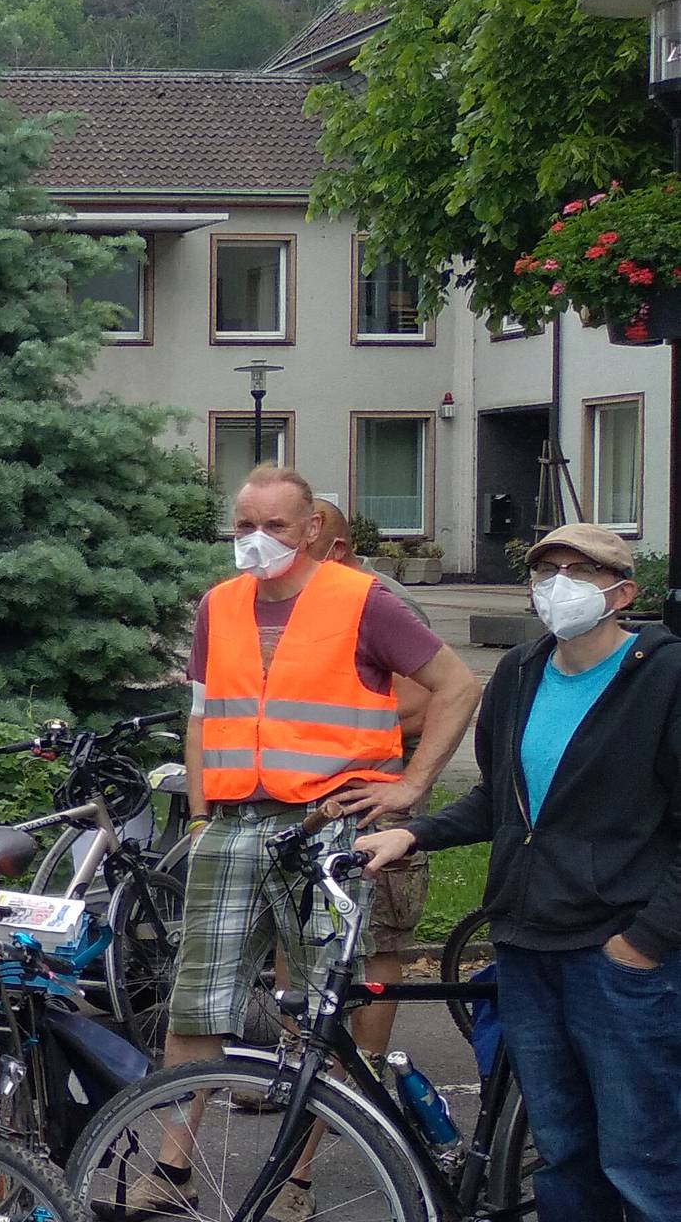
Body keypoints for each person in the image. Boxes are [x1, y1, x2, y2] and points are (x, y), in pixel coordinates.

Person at [129, 467, 479, 1221]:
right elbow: (202, 716)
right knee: (197, 1002)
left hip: (322, 827)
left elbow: (457, 685)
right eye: (243, 527)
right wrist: (197, 814)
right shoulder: (219, 607)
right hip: (228, 823)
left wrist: (411, 786)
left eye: (276, 527)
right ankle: (172, 1167)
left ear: (313, 528)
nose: (256, 542)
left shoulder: (361, 600)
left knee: (317, 1011)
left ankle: (298, 1178)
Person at [360, 525, 681, 1222]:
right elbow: (495, 798)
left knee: (642, 1159)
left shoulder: (664, 676)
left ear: (622, 593)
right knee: (563, 1150)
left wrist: (645, 941)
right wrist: (411, 833)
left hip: (619, 958)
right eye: (547, 570)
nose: (558, 585)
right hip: (526, 946)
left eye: (579, 571)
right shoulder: (521, 671)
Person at [308, 498, 434, 1061]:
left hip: (380, 800)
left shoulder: (384, 602)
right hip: (312, 797)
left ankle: (368, 1071)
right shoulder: (301, 602)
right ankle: (300, 1076)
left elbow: (427, 702)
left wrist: (332, 741)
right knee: (306, 927)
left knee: (379, 935)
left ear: (333, 548)